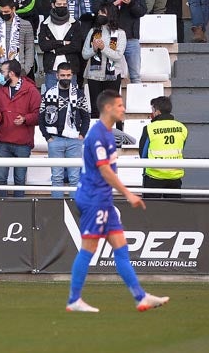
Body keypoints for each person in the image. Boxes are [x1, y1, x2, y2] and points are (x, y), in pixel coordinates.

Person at [65, 90, 169, 313]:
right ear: (109, 108)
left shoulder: (109, 134)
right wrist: (128, 193)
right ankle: (74, 299)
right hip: (94, 199)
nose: (123, 109)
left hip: (103, 198)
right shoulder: (97, 135)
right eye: (120, 106)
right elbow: (104, 170)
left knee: (121, 247)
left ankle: (140, 297)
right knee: (89, 248)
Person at [0, 60, 41, 199]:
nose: (0, 74)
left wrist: (25, 119)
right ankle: (1, 207)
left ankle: (19, 210)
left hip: (23, 143)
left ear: (11, 73)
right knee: (0, 179)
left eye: (3, 72)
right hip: (3, 141)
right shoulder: (0, 92)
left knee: (19, 180)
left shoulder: (31, 91)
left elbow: (39, 116)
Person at [38, 62, 90, 199]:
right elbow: (41, 117)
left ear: (72, 75)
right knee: (56, 178)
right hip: (55, 139)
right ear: (57, 76)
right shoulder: (48, 93)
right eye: (62, 75)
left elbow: (86, 117)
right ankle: (56, 211)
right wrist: (47, 137)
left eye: (68, 75)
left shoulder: (79, 94)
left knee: (75, 177)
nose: (65, 78)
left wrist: (82, 135)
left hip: (74, 140)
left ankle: (74, 208)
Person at [139, 95, 187, 200]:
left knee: (151, 212)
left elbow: (143, 154)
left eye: (152, 109)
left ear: (157, 111)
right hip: (175, 176)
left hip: (154, 177)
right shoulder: (182, 127)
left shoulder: (149, 128)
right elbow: (181, 148)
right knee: (174, 211)